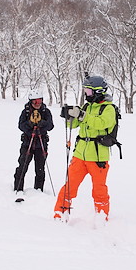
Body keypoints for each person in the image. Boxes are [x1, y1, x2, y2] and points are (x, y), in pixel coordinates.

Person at [53, 75, 117, 221]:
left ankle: (101, 217)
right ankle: (60, 214)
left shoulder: (109, 109)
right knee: (69, 186)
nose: (86, 94)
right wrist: (69, 116)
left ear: (98, 91)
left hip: (98, 157)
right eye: (85, 91)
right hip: (80, 155)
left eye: (88, 91)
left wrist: (82, 115)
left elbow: (101, 123)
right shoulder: (87, 106)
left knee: (99, 190)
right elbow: (74, 125)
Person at [13, 90, 54, 198]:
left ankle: (38, 191)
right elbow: (20, 125)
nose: (37, 104)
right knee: (23, 165)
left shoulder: (46, 112)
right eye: (35, 101)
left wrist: (42, 124)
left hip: (41, 143)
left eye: (39, 101)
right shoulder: (25, 112)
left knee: (40, 168)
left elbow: (50, 126)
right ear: (31, 102)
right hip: (27, 142)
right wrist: (30, 124)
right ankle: (18, 188)